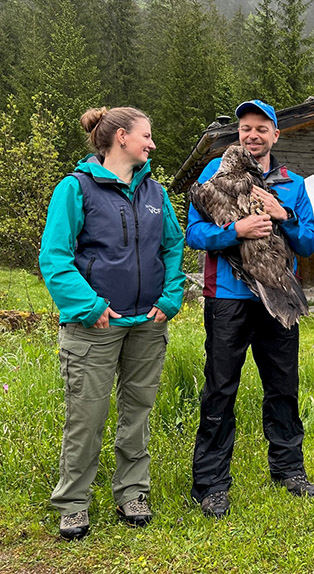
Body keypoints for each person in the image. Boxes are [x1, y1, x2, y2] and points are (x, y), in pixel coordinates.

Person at [39, 107, 185, 540]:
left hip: (147, 324)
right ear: (121, 137)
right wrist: (89, 305)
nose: (152, 143)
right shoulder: (75, 189)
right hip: (94, 328)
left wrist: (171, 296)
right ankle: (72, 503)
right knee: (86, 416)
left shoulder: (156, 193)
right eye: (147, 135)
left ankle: (132, 492)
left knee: (137, 413)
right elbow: (55, 258)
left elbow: (173, 247)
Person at [187, 99, 314, 516]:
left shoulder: (292, 184)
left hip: (277, 296)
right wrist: (235, 230)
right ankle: (210, 483)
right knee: (220, 388)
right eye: (246, 128)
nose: (252, 135)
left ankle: (288, 468)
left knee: (283, 384)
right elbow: (194, 233)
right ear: (238, 134)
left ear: (276, 135)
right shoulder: (214, 175)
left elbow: (310, 244)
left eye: (262, 128)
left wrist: (285, 215)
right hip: (228, 297)